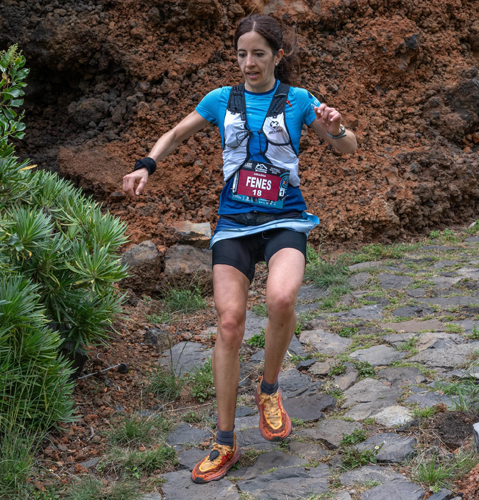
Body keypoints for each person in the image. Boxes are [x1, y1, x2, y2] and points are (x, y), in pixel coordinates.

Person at [122, 13, 357, 484]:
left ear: (278, 56)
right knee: (229, 324)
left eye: (259, 54)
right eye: (241, 53)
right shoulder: (219, 100)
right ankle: (224, 441)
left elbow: (348, 148)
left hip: (285, 218)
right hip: (234, 225)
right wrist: (147, 163)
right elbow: (174, 133)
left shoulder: (298, 101)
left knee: (282, 298)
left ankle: (269, 390)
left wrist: (335, 126)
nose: (249, 63)